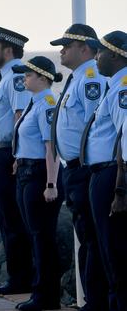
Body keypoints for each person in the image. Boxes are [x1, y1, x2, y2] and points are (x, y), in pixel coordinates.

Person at [50, 24, 109, 310]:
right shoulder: (77, 79)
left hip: (84, 169)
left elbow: (93, 125)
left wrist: (83, 167)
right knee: (86, 236)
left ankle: (95, 302)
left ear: (85, 48)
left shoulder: (91, 79)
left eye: (66, 46)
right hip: (72, 169)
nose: (61, 50)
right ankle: (91, 299)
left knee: (93, 239)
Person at [0, 25, 33, 294]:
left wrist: (15, 156)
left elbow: (20, 117)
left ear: (8, 49)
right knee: (5, 218)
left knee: (13, 220)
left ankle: (20, 279)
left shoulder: (15, 77)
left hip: (7, 154)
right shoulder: (4, 77)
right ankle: (17, 276)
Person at [12, 56, 64, 310]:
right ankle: (39, 292)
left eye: (29, 75)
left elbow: (50, 146)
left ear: (43, 78)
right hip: (26, 171)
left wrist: (51, 183)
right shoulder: (34, 102)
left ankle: (47, 296)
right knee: (35, 236)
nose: (24, 79)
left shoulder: (47, 104)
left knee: (42, 237)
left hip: (40, 175)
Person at [83, 31, 127, 310]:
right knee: (106, 248)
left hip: (113, 176)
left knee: (116, 252)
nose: (95, 58)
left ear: (114, 54)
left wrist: (121, 190)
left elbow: (126, 138)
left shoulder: (123, 87)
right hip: (102, 174)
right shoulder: (115, 85)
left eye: (99, 53)